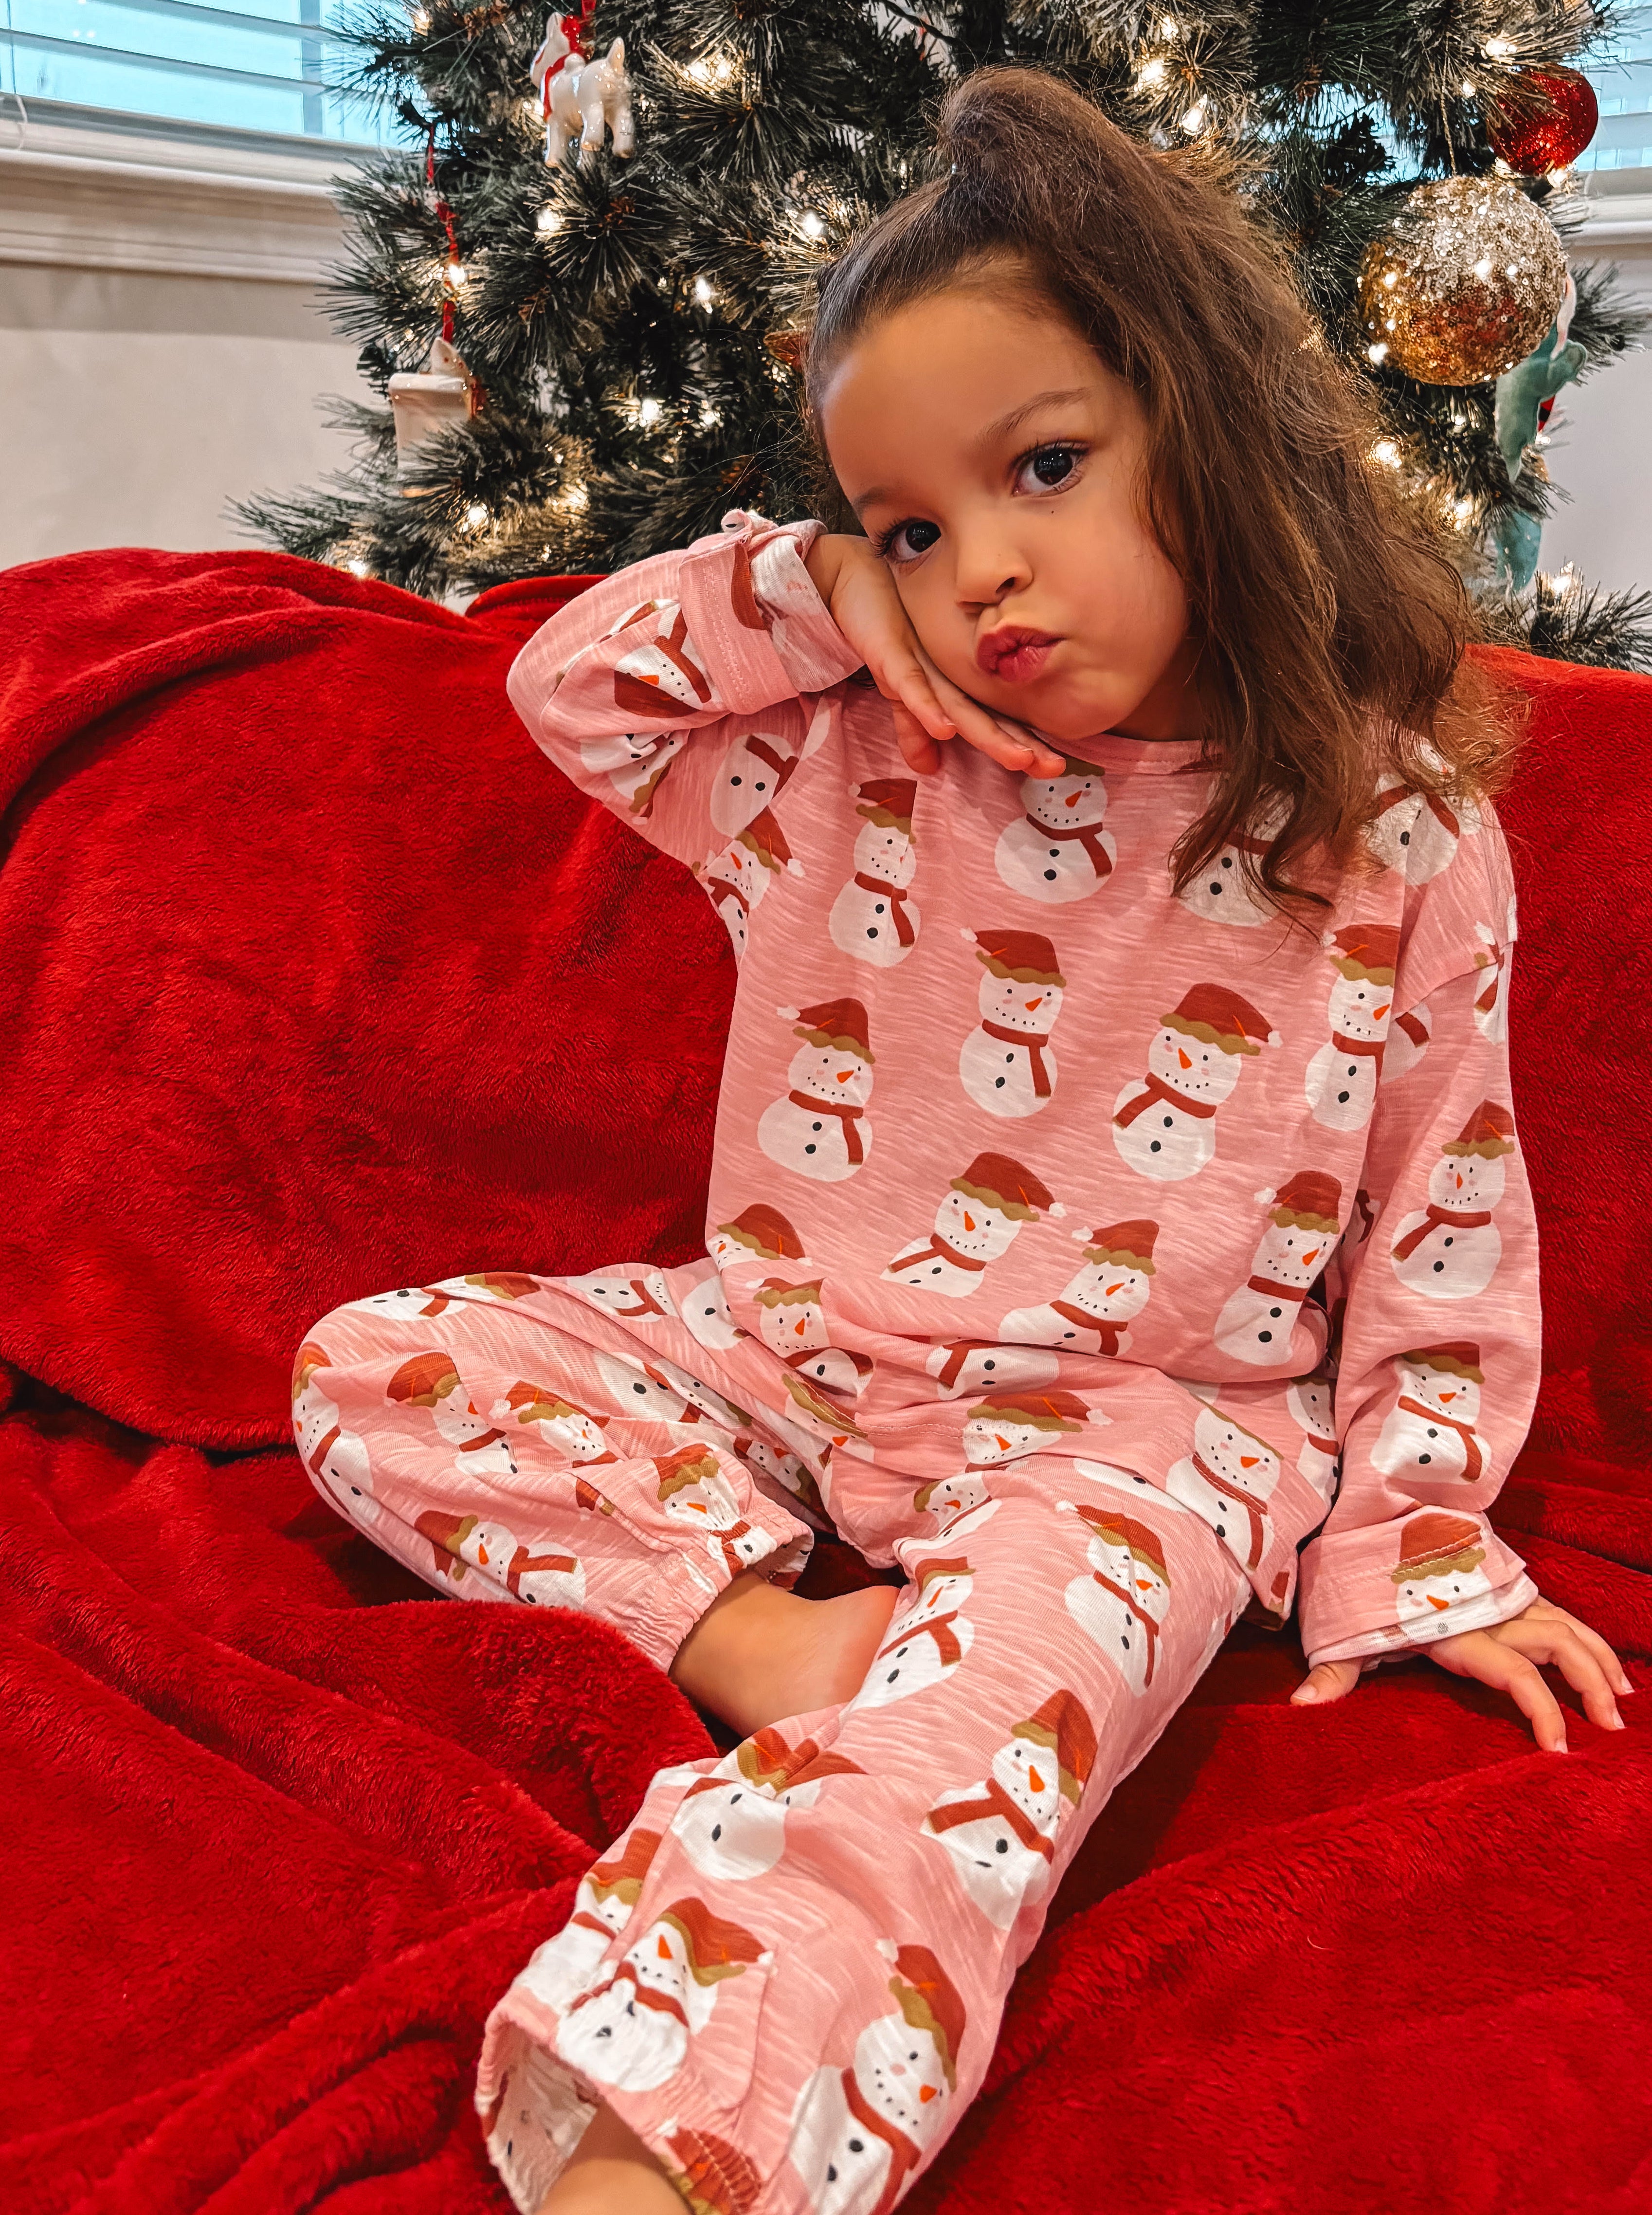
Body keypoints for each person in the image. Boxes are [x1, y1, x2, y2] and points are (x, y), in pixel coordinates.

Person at [290, 67, 1631, 2215]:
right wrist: (827, 592)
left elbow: (1446, 1230)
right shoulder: (840, 762)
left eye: (1043, 466)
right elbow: (573, 685)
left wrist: (1411, 1534)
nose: (982, 568)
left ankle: (668, 2153)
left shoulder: (1392, 836)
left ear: (1205, 426)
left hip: (1141, 1432)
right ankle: (769, 1648)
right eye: (917, 521)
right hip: (796, 1354)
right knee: (375, 1361)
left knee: (957, 1754)